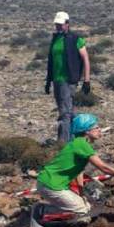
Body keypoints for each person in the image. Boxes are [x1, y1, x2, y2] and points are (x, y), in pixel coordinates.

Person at [36, 113, 114, 218]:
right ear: (86, 131)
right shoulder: (82, 144)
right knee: (81, 211)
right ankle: (41, 211)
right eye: (96, 127)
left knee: (86, 206)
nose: (100, 129)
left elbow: (79, 172)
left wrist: (80, 193)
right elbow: (103, 167)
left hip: (49, 182)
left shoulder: (79, 143)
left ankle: (50, 212)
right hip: (51, 185)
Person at [44, 11, 91, 144]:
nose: (58, 27)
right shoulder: (55, 39)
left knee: (65, 112)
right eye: (56, 24)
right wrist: (48, 81)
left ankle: (63, 142)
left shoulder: (75, 39)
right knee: (66, 110)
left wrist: (86, 80)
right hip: (57, 80)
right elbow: (52, 61)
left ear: (67, 24)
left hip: (68, 79)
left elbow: (86, 59)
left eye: (60, 24)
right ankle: (77, 136)